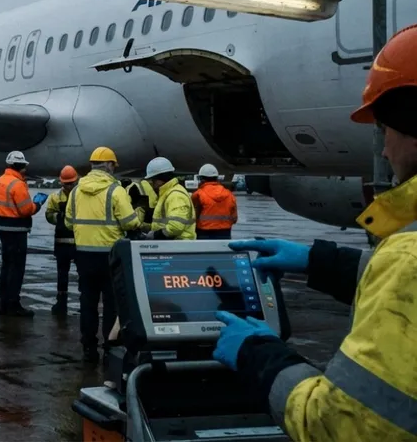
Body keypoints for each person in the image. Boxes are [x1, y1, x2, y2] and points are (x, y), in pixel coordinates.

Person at [212, 24, 417, 442]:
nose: (383, 150)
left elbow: (343, 425)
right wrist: (316, 261)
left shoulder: (407, 257)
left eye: (385, 130)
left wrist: (260, 356)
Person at [65, 146, 142, 362]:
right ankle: (109, 347)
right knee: (112, 304)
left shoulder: (76, 191)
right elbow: (130, 222)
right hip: (110, 255)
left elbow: (68, 221)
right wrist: (137, 213)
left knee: (87, 302)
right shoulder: (115, 191)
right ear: (109, 165)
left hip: (84, 256)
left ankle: (88, 347)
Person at [0, 151, 44, 317]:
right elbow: (26, 210)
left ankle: (4, 304)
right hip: (17, 230)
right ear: (21, 166)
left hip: (3, 228)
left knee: (6, 266)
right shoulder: (17, 184)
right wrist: (38, 204)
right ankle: (13, 305)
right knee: (17, 269)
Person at [45, 165, 79, 318]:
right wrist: (59, 218)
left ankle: (84, 300)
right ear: (61, 183)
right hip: (62, 241)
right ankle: (61, 302)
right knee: (62, 274)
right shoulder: (55, 197)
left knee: (83, 274)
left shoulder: (80, 195)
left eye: (72, 183)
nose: (69, 186)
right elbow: (48, 215)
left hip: (79, 242)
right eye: (67, 184)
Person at [143, 157, 196, 240]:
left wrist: (155, 235)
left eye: (153, 180)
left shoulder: (175, 196)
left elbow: (175, 227)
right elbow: (163, 223)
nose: (151, 184)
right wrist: (146, 227)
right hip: (172, 246)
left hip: (177, 247)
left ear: (161, 179)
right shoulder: (167, 193)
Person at [192, 163, 237, 239]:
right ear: (216, 178)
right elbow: (234, 218)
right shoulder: (229, 194)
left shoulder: (198, 194)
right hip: (225, 233)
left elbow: (193, 216)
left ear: (202, 179)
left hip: (203, 233)